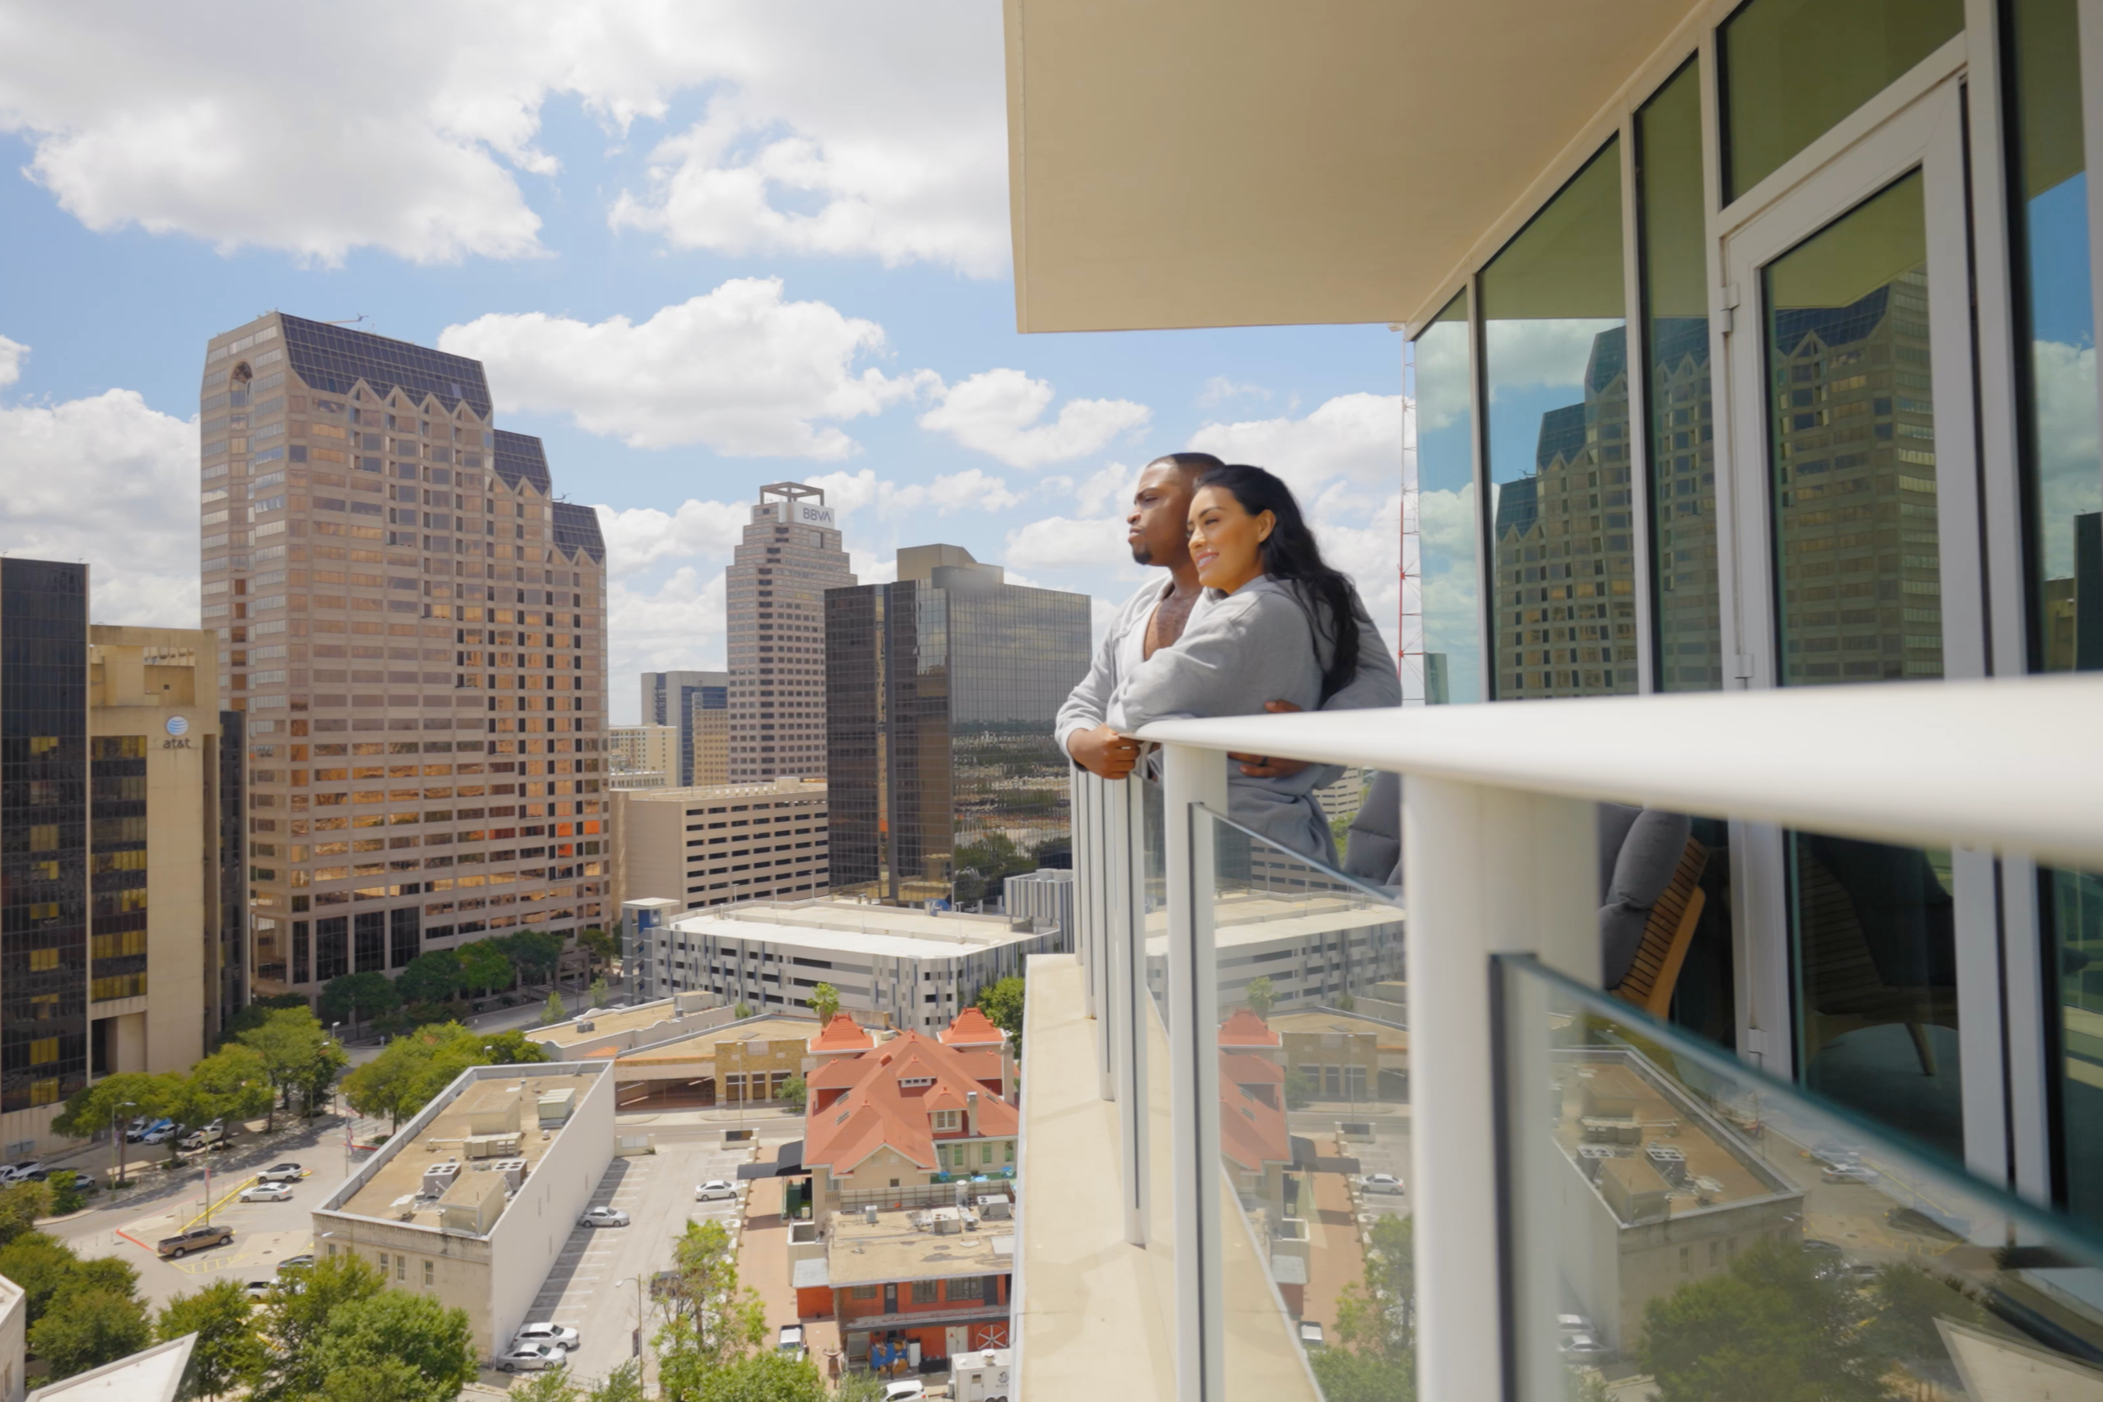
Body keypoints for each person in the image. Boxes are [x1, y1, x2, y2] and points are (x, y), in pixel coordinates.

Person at [1117, 463, 1400, 865]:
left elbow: (1130, 704)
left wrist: (1313, 742)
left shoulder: (1265, 606)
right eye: (1190, 530)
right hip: (1282, 834)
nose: (1196, 541)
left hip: (1234, 842)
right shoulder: (1251, 598)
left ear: (1264, 524)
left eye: (1211, 522)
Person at [1056, 453, 1396, 786]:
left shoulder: (1295, 596)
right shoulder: (1136, 608)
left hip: (1242, 823)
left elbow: (1377, 681)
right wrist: (1079, 743)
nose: (1132, 515)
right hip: (1141, 829)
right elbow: (1087, 699)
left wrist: (1317, 743)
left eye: (1150, 499)